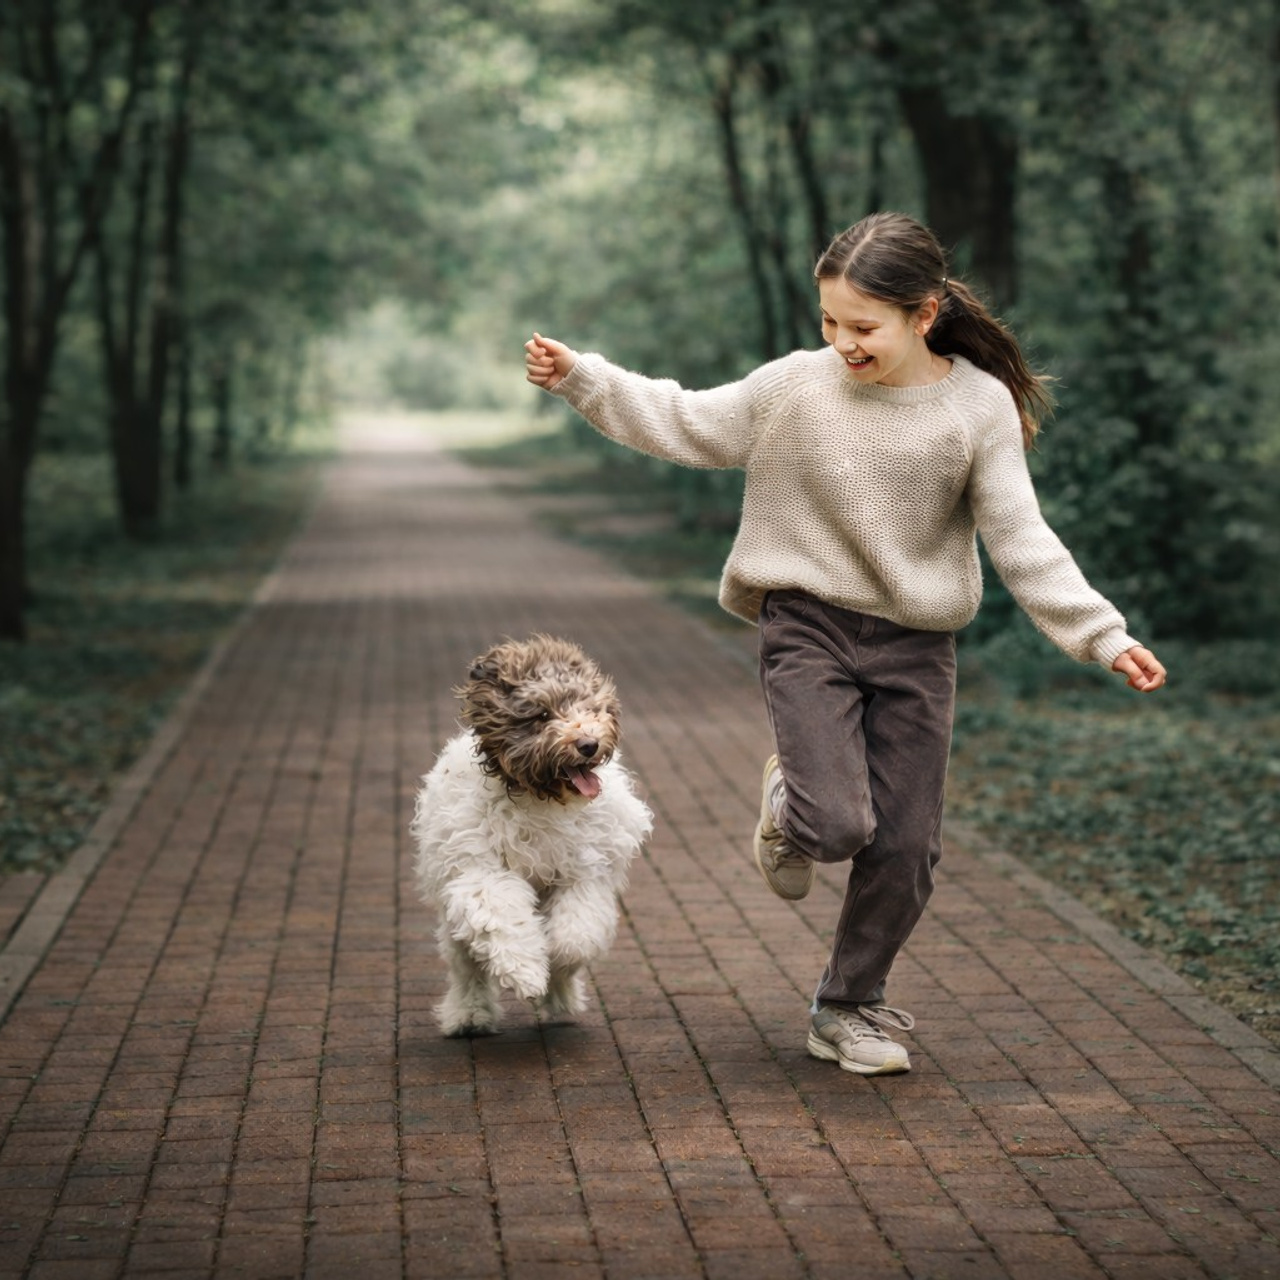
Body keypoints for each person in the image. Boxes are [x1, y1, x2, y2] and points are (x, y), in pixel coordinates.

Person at [524, 210, 1166, 1077]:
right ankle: (797, 797)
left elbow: (1021, 535)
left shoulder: (978, 405)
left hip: (916, 646)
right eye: (829, 321)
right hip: (808, 626)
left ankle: (847, 1007)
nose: (842, 342)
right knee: (834, 826)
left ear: (923, 313)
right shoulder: (797, 385)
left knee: (905, 848)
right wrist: (583, 378)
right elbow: (686, 419)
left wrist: (1101, 633)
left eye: (862, 326)